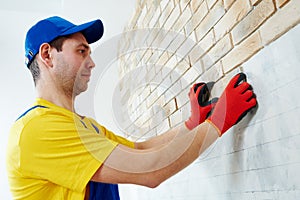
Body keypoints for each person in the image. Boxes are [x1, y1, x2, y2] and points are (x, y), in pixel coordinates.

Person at [6, 16, 257, 200]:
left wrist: (191, 124)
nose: (91, 62)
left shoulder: (82, 125)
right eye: (81, 51)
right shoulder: (36, 131)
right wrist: (219, 121)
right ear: (47, 55)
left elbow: (139, 150)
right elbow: (150, 170)